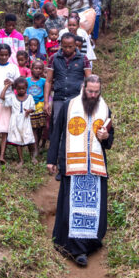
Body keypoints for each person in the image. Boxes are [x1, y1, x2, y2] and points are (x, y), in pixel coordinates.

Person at [47, 75, 114, 266]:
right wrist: (52, 159)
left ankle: (89, 244)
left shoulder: (104, 108)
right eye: (90, 91)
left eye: (96, 92)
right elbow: (57, 132)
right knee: (72, 206)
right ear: (83, 88)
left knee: (93, 207)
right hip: (73, 165)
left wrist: (106, 135)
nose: (92, 95)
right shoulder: (69, 106)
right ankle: (74, 248)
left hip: (95, 167)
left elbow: (109, 141)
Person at [44, 33, 93, 180]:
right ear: (61, 45)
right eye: (64, 46)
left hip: (76, 101)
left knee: (74, 131)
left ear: (75, 45)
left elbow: (89, 79)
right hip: (59, 99)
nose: (67, 49)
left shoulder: (83, 59)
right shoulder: (54, 58)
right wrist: (47, 101)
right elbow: (48, 81)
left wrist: (88, 99)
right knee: (58, 132)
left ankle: (74, 165)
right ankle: (60, 166)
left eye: (70, 46)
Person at [1, 76, 36, 167]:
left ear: (26, 88)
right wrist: (6, 87)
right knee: (17, 142)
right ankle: (21, 160)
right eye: (19, 88)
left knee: (29, 140)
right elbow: (2, 97)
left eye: (23, 88)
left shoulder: (30, 97)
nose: (21, 90)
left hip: (25, 121)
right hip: (15, 122)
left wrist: (29, 111)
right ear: (15, 88)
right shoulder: (12, 97)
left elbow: (33, 108)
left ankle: (32, 157)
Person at [27, 60, 47, 154]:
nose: (38, 70)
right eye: (36, 68)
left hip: (40, 106)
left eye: (40, 69)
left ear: (43, 70)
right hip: (30, 106)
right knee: (33, 128)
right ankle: (34, 149)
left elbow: (49, 88)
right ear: (31, 69)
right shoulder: (27, 80)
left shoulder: (43, 81)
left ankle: (37, 146)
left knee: (40, 128)